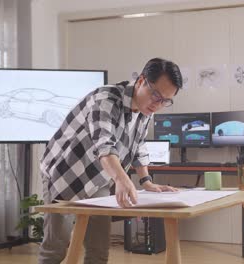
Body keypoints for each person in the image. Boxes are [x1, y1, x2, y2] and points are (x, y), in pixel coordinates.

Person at [38, 57, 183, 264]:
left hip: (99, 175)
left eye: (165, 101)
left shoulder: (146, 109)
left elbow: (139, 144)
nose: (157, 104)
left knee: (98, 249)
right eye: (156, 95)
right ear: (141, 81)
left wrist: (146, 181)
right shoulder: (105, 99)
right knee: (57, 247)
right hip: (65, 172)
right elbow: (104, 145)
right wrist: (122, 179)